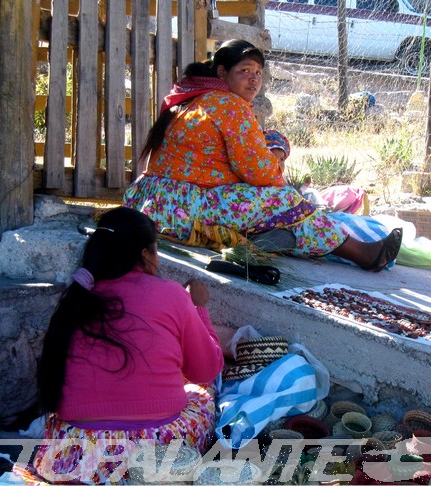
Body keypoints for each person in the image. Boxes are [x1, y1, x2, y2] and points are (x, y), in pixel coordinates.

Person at [123, 39, 402, 272]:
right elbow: (262, 175)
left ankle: (270, 239)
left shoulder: (191, 97)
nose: (254, 78)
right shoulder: (229, 105)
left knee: (275, 193)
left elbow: (249, 146)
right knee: (288, 200)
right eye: (244, 70)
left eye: (258, 72)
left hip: (152, 199)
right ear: (222, 73)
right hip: (182, 207)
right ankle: (363, 254)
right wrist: (277, 157)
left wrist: (275, 148)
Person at [22, 207, 224, 484]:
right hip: (156, 449)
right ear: (144, 255)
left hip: (74, 456)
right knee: (200, 391)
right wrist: (199, 308)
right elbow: (206, 369)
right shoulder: (173, 294)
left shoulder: (77, 296)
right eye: (156, 251)